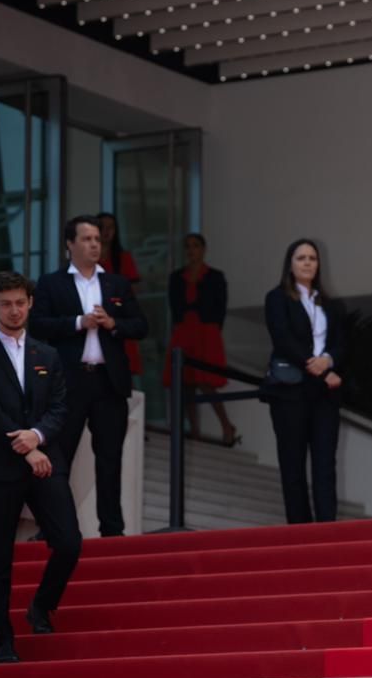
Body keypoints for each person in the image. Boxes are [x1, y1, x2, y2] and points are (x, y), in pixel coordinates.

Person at [0, 271, 82, 664]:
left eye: (21, 302)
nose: (15, 310)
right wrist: (27, 447)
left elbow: (61, 407)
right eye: (6, 303)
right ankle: (2, 640)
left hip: (46, 459)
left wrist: (38, 437)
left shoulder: (47, 354)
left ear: (30, 303)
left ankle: (41, 606)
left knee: (68, 542)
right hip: (1, 466)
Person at [30, 215, 148, 537]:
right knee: (60, 455)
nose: (95, 244)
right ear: (70, 244)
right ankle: (52, 527)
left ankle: (112, 530)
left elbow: (141, 326)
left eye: (98, 239)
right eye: (87, 239)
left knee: (110, 458)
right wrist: (78, 323)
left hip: (108, 383)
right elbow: (38, 325)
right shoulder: (52, 283)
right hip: (69, 382)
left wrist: (114, 324)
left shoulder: (116, 284)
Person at [263, 238, 345, 525]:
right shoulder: (277, 298)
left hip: (324, 393)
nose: (308, 262)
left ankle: (326, 529)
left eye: (312, 258)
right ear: (290, 264)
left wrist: (330, 361)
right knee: (293, 463)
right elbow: (283, 339)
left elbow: (341, 344)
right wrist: (321, 369)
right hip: (290, 391)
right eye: (301, 258)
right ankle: (300, 529)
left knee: (325, 464)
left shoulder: (330, 304)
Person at [163, 233, 239, 446]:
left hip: (207, 332)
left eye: (195, 245)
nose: (191, 250)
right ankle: (194, 430)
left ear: (203, 249)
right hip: (184, 331)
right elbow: (174, 306)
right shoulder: (176, 277)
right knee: (185, 383)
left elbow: (220, 308)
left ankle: (226, 425)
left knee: (206, 382)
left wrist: (213, 331)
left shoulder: (215, 276)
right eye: (187, 246)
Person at [96, 213, 144, 382]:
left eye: (111, 227)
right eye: (102, 227)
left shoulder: (124, 258)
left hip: (119, 322)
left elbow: (134, 292)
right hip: (94, 322)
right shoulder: (87, 259)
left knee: (125, 377)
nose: (107, 231)